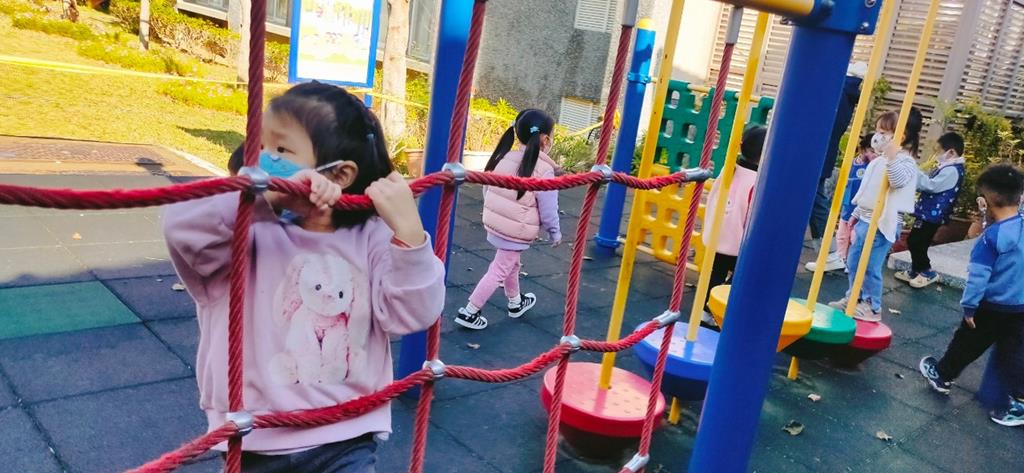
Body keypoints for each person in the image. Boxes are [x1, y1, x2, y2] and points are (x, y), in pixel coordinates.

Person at [163, 82, 445, 471]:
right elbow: (180, 228)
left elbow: (413, 314)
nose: (262, 159)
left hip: (347, 433)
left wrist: (410, 233)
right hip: (255, 437)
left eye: (281, 150)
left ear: (340, 174)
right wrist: (264, 196)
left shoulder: (371, 237)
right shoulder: (246, 232)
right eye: (260, 145)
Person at [919, 164, 1024, 427]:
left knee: (966, 342)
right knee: (1014, 354)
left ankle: (942, 375)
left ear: (987, 200)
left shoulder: (989, 239)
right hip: (1020, 307)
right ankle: (1017, 403)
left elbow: (978, 277)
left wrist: (969, 307)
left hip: (990, 306)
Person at [454, 109, 562, 330]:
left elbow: (488, 188)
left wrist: (492, 212)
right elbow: (549, 208)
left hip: (497, 224)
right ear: (545, 139)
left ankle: (515, 302)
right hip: (515, 230)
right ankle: (470, 311)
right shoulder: (544, 170)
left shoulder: (505, 157)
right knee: (499, 270)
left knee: (511, 263)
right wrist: (554, 231)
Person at [828, 109, 922, 322]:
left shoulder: (905, 162)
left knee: (870, 266)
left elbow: (897, 182)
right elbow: (869, 191)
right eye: (877, 130)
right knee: (854, 262)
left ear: (900, 136)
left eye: (883, 132)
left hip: (883, 223)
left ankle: (873, 306)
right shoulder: (879, 160)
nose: (877, 136)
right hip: (865, 219)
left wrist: (892, 158)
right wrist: (856, 212)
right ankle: (854, 297)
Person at [699, 125, 767, 329]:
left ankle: (705, 310)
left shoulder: (729, 168)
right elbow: (752, 214)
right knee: (741, 278)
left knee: (715, 273)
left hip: (717, 235)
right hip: (738, 241)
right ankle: (721, 310)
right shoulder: (757, 181)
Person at [806, 62, 866, 271]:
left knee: (816, 200)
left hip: (815, 152)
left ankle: (830, 252)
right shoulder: (847, 95)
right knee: (815, 199)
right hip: (823, 152)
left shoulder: (838, 92)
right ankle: (830, 251)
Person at [894, 132, 966, 288]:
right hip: (928, 213)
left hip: (933, 215)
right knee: (915, 240)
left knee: (918, 242)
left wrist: (914, 172)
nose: (937, 154)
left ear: (951, 152)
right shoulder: (948, 167)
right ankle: (916, 270)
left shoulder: (952, 170)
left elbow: (931, 185)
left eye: (939, 151)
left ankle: (927, 271)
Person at [806, 134, 877, 272]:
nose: (875, 155)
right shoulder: (852, 163)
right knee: (842, 235)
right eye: (872, 151)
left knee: (856, 237)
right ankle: (840, 258)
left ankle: (852, 262)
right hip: (848, 206)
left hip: (861, 209)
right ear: (863, 150)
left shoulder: (874, 167)